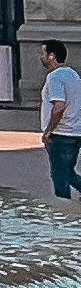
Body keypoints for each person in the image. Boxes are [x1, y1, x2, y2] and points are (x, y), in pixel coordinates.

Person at [41, 42, 81, 202]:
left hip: (61, 133)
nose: (41, 57)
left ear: (51, 56)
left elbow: (59, 106)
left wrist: (49, 131)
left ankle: (63, 214)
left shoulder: (55, 76)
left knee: (59, 176)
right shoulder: (73, 75)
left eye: (43, 53)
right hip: (76, 132)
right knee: (68, 173)